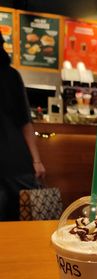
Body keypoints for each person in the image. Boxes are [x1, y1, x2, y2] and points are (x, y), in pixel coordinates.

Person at [0, 32, 46, 221]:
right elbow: (25, 122)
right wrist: (36, 160)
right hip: (17, 164)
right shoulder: (10, 75)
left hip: (12, 165)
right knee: (23, 224)